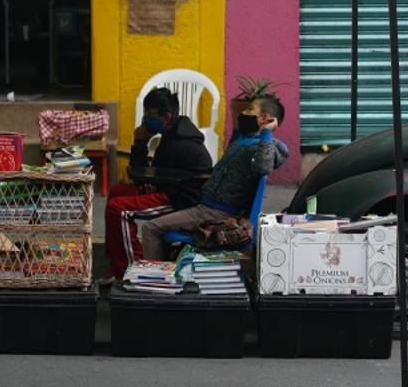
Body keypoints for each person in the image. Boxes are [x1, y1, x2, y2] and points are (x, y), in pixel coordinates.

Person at [134, 94, 288, 260]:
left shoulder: (264, 147)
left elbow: (263, 166)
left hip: (215, 213)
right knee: (163, 222)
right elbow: (235, 146)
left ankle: (156, 281)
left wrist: (266, 132)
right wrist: (240, 127)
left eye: (250, 109)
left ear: (265, 118)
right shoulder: (244, 141)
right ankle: (169, 270)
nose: (243, 112)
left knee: (150, 228)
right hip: (206, 207)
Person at [103, 87, 213, 278]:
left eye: (151, 114)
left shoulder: (179, 143)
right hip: (171, 188)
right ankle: (116, 260)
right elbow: (149, 175)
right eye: (146, 113)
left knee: (118, 209)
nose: (146, 119)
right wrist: (151, 183)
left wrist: (139, 142)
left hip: (181, 200)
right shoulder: (175, 132)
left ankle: (130, 268)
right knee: (117, 192)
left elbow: (138, 174)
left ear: (167, 117)